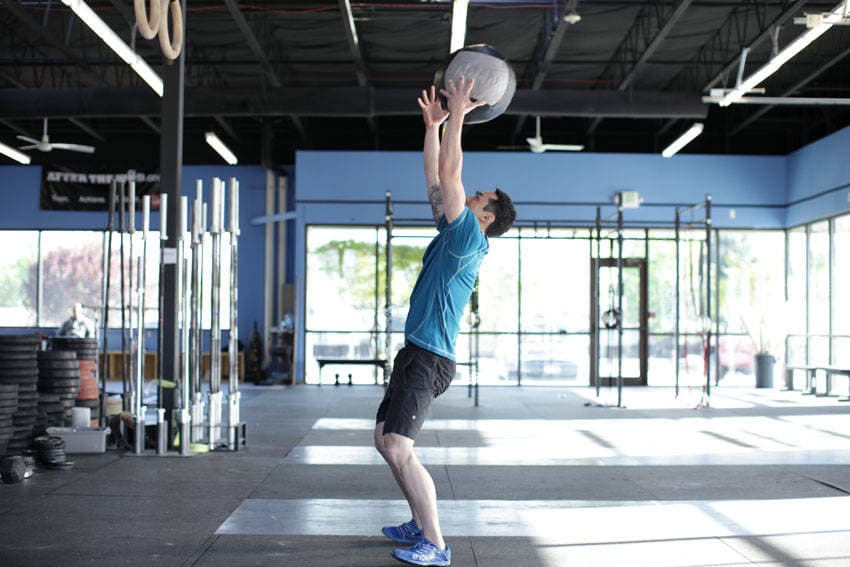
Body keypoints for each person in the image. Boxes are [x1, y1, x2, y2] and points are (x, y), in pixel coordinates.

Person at [374, 76, 516, 567]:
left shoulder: (468, 241)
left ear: (486, 218)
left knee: (397, 444)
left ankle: (435, 543)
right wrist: (433, 126)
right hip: (417, 350)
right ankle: (419, 519)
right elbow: (438, 182)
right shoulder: (454, 229)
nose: (467, 196)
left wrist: (458, 113)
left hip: (430, 357)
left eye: (478, 198)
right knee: (384, 441)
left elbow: (451, 179)